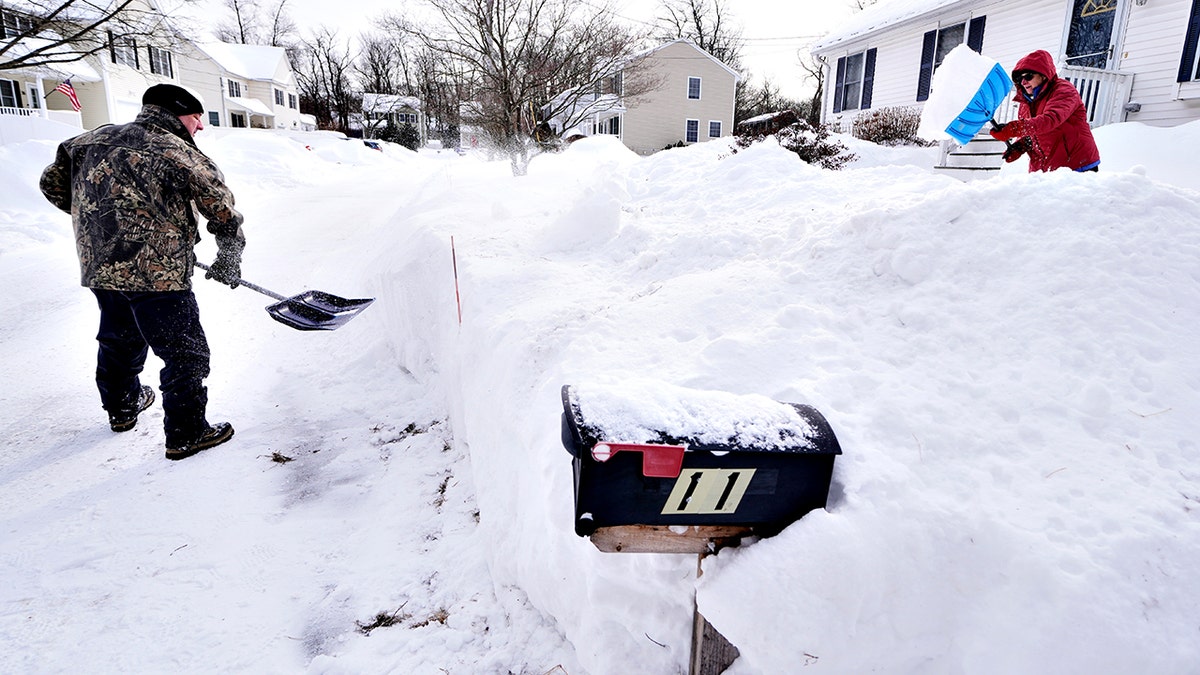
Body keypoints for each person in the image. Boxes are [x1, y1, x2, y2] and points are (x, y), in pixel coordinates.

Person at [40, 83, 245, 460]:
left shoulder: (86, 140)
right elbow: (220, 207)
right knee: (184, 352)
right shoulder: (176, 150)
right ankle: (187, 433)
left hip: (101, 265)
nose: (199, 127)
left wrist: (100, 224)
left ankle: (122, 408)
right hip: (158, 273)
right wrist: (229, 255)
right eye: (196, 118)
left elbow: (52, 184)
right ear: (177, 114)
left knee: (120, 337)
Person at [989, 49, 1101, 173]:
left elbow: (1049, 120)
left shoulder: (1063, 90)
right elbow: (1035, 133)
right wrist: (1021, 146)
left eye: (1028, 76)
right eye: (1020, 79)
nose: (1024, 82)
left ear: (1043, 74)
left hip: (1077, 166)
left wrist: (1014, 129)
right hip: (1046, 169)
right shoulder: (1026, 102)